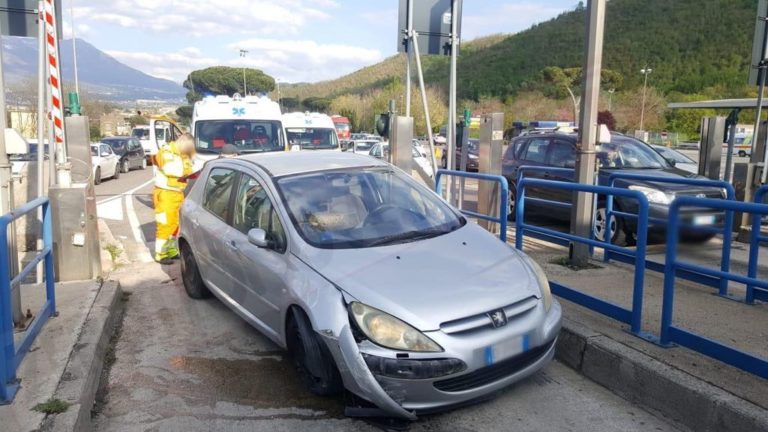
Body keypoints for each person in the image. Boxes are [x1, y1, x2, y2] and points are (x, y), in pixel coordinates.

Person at [153, 133, 195, 264]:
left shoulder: (182, 155)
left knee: (176, 224)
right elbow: (171, 170)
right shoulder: (165, 152)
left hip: (177, 193)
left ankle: (171, 250)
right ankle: (161, 254)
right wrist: (187, 171)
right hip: (166, 193)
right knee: (165, 224)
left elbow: (189, 169)